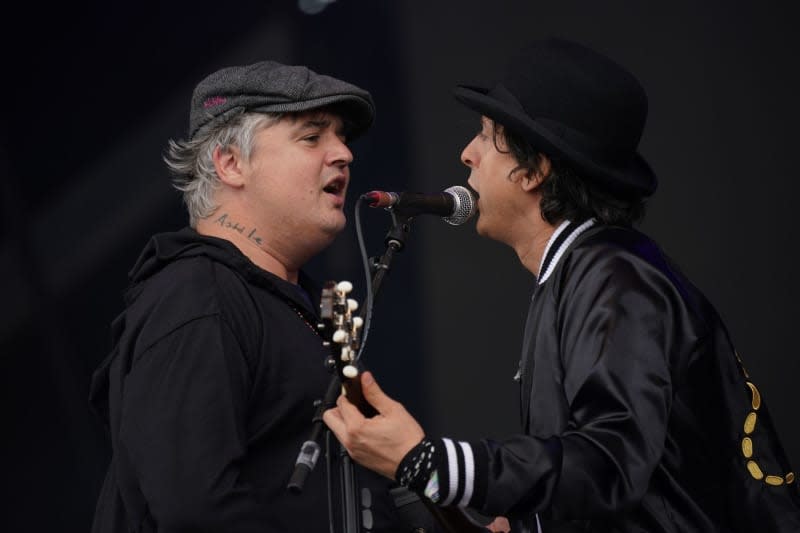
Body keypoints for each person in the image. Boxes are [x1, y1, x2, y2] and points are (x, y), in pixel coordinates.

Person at [323, 38, 800, 532]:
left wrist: (430, 464)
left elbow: (608, 464)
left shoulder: (617, 280)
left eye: (486, 135)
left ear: (534, 170)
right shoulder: (585, 274)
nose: (467, 154)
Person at [88, 60, 411, 532]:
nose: (344, 153)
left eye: (341, 137)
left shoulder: (295, 304)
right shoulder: (196, 295)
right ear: (231, 163)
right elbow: (197, 510)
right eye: (312, 136)